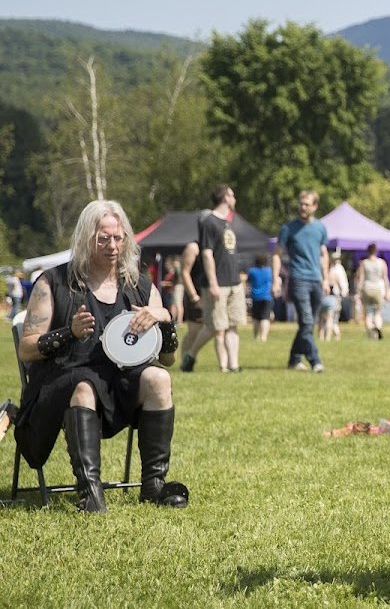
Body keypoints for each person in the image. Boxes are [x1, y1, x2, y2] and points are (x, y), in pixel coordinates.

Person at [13, 200, 188, 511]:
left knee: (159, 378)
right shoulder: (54, 282)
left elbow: (168, 360)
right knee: (83, 384)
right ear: (86, 239)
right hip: (64, 380)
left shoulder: (139, 286)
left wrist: (164, 320)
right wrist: (69, 332)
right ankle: (90, 492)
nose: (112, 246)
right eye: (103, 238)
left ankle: (154, 484)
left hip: (118, 382)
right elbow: (26, 348)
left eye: (118, 238)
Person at [273, 189, 330, 372]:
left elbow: (323, 254)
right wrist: (276, 279)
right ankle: (315, 360)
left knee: (309, 323)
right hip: (298, 279)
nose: (303, 207)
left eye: (307, 204)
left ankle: (294, 359)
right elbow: (277, 255)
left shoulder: (320, 228)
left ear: (315, 206)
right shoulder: (288, 228)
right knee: (306, 322)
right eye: (301, 203)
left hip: (316, 280)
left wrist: (326, 279)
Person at [199, 184, 245, 373]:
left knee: (233, 326)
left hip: (234, 282)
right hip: (219, 283)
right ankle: (222, 367)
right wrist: (213, 283)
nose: (234, 199)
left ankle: (234, 365)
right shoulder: (209, 221)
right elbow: (207, 254)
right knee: (219, 328)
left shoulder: (228, 222)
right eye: (232, 196)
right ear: (226, 197)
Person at [178, 229, 214, 372]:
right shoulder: (193, 248)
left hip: (208, 292)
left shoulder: (212, 247)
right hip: (195, 293)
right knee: (194, 330)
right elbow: (185, 272)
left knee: (212, 328)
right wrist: (194, 296)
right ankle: (185, 361)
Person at [355, 243, 388, 340]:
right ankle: (377, 327)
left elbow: (361, 279)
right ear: (376, 251)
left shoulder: (364, 263)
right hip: (378, 289)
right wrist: (386, 291)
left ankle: (371, 332)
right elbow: (385, 278)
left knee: (368, 313)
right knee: (377, 312)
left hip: (367, 288)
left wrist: (358, 292)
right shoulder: (382, 263)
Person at [320, 250, 349, 341]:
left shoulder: (321, 273)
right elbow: (341, 284)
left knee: (321, 320)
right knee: (331, 319)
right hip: (332, 297)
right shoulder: (335, 272)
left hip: (322, 297)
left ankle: (321, 338)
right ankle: (330, 337)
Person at [247, 254, 274, 342]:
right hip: (267, 296)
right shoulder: (269, 271)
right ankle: (263, 337)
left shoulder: (252, 271)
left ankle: (256, 336)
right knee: (265, 318)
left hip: (255, 297)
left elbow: (248, 283)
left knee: (256, 318)